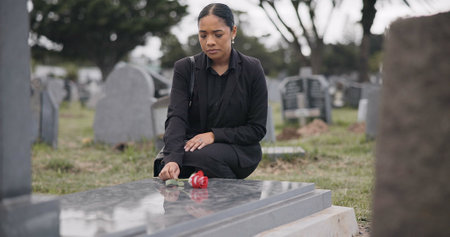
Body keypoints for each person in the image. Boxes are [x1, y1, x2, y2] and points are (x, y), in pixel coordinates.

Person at [157, 3, 267, 181]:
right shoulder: (185, 68)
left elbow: (257, 129)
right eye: (203, 35)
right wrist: (172, 160)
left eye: (218, 34)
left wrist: (214, 135)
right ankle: (224, 196)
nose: (209, 42)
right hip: (193, 147)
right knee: (169, 162)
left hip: (239, 150)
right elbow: (176, 117)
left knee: (201, 157)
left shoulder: (252, 68)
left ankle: (231, 196)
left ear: (233, 32)